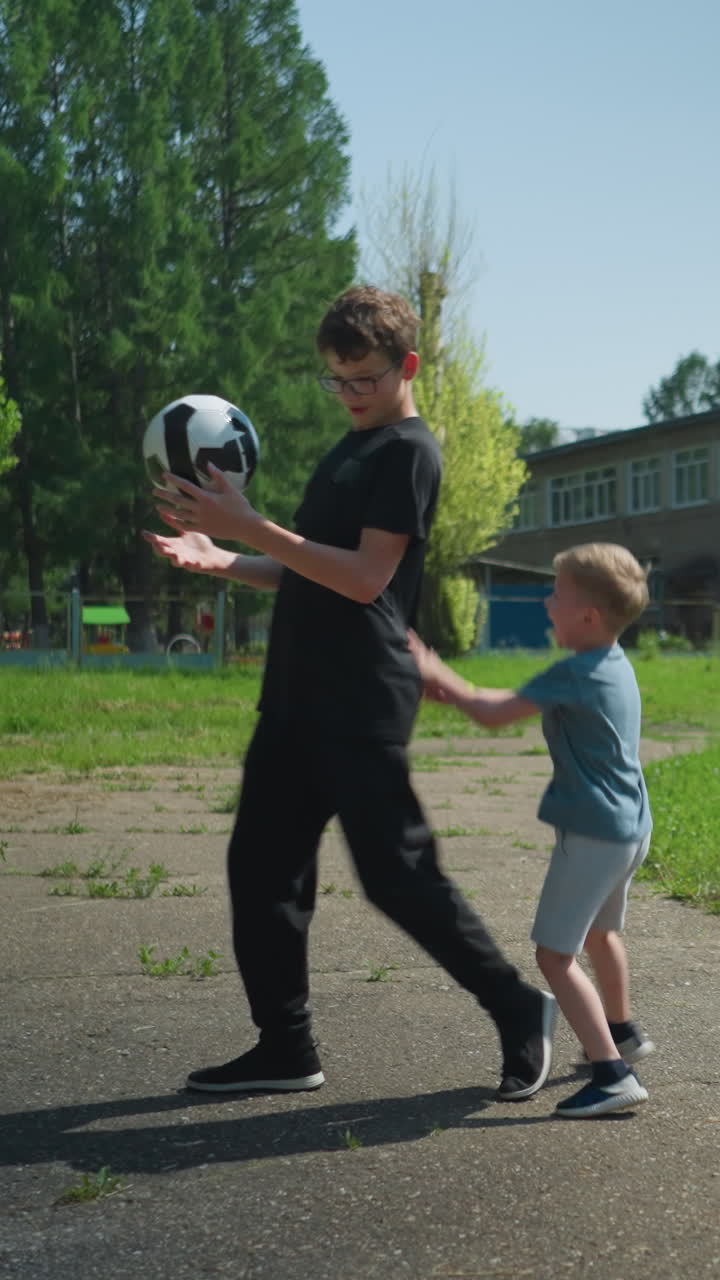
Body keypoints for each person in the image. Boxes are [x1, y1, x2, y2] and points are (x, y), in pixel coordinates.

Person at [143, 285, 555, 1101]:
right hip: (295, 693)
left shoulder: (409, 453)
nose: (350, 393)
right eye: (336, 379)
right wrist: (222, 558)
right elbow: (308, 565)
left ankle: (518, 1009)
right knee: (261, 870)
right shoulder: (348, 449)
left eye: (364, 378)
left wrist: (249, 526)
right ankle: (285, 1046)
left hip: (361, 696)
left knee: (396, 875)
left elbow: (367, 578)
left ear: (407, 366)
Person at [409, 541, 655, 1118]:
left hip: (592, 835)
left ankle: (612, 1075)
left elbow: (492, 712)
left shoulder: (575, 672)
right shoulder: (614, 663)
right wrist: (456, 692)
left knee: (553, 956)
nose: (547, 603)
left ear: (587, 616)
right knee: (601, 934)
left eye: (557, 595)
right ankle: (622, 1033)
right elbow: (493, 702)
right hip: (630, 828)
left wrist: (434, 669)